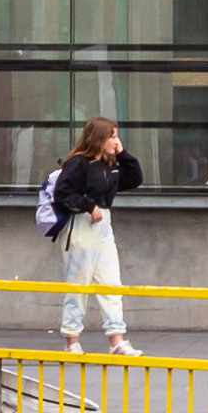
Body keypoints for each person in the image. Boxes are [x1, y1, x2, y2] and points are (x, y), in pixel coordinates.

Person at [41, 117, 144, 351]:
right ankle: (72, 340)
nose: (116, 141)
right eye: (112, 136)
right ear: (99, 138)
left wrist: (123, 154)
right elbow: (63, 194)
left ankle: (116, 339)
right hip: (81, 225)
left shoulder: (109, 165)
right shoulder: (79, 163)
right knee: (78, 284)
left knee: (111, 283)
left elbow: (135, 178)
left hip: (103, 226)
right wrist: (89, 206)